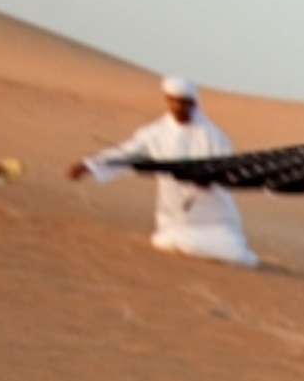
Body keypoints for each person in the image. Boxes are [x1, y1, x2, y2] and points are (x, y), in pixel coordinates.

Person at [69, 76, 257, 267]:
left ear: (193, 104)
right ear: (168, 102)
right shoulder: (155, 133)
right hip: (173, 209)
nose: (179, 107)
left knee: (233, 253)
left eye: (184, 103)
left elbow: (226, 168)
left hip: (213, 212)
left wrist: (208, 179)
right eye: (174, 101)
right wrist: (90, 165)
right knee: (166, 241)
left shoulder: (213, 136)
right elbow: (126, 154)